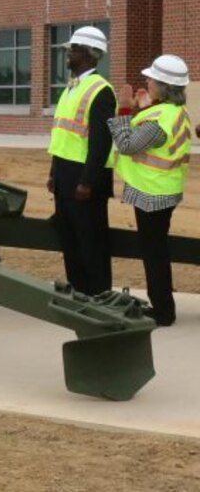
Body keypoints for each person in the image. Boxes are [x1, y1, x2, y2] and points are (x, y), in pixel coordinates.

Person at [108, 54, 192, 327]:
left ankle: (164, 311)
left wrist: (122, 109)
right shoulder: (174, 111)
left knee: (154, 253)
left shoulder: (159, 121)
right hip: (162, 190)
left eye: (151, 79)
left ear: (163, 86)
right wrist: (143, 108)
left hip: (152, 194)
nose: (146, 81)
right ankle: (164, 307)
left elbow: (128, 145)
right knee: (156, 250)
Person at [47, 26, 116, 296]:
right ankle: (79, 293)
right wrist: (53, 173)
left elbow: (101, 144)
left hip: (85, 183)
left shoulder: (101, 91)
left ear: (87, 54)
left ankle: (99, 296)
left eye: (72, 50)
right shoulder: (71, 88)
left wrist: (87, 182)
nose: (67, 54)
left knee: (92, 243)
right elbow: (62, 135)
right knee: (70, 242)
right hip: (65, 177)